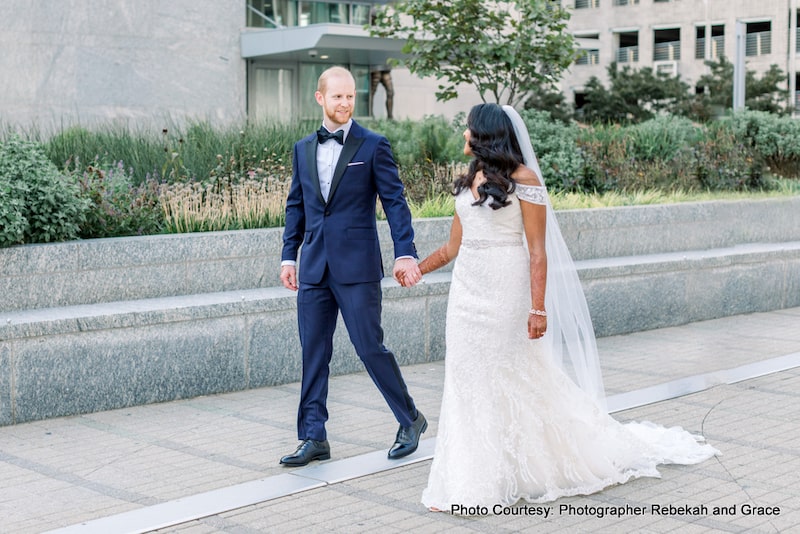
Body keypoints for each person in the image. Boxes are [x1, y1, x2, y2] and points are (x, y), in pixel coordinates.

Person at [408, 103, 718, 512]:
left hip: (506, 291)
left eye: (468, 129)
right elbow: (452, 247)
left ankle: (489, 482)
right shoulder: (469, 180)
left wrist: (538, 309)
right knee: (465, 382)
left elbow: (538, 251)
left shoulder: (524, 180)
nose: (463, 135)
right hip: (466, 296)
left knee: (503, 378)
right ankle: (468, 477)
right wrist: (417, 269)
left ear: (484, 135)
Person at [278, 66, 426, 467]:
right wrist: (289, 256)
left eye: (350, 97)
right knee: (313, 353)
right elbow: (297, 206)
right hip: (313, 267)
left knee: (368, 347)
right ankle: (313, 436)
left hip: (357, 268)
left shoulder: (373, 145)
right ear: (320, 98)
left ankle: (410, 419)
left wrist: (405, 251)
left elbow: (395, 202)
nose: (345, 103)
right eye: (337, 96)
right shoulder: (302, 148)